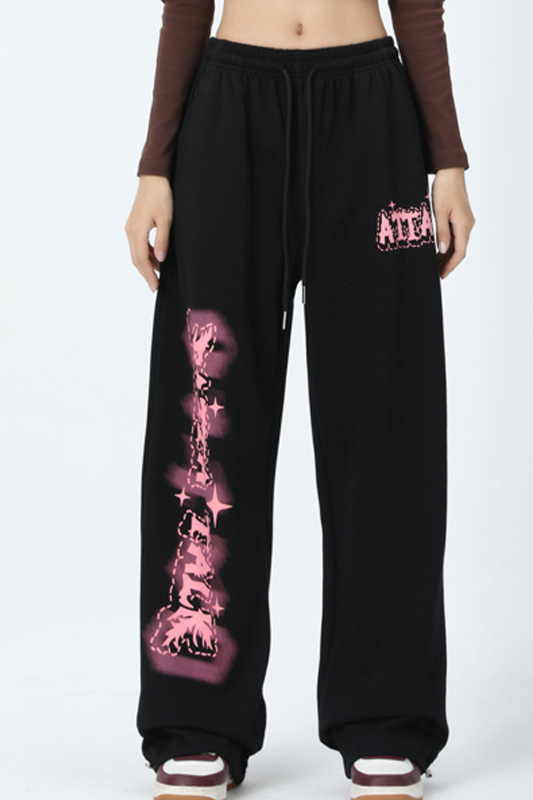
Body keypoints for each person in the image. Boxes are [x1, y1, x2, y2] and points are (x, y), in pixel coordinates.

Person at [124, 1, 475, 798]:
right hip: (228, 113)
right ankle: (195, 716)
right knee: (205, 414)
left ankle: (386, 715)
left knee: (386, 414)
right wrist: (155, 166)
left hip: (372, 116)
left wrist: (447, 158)